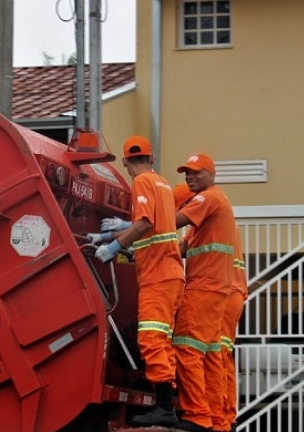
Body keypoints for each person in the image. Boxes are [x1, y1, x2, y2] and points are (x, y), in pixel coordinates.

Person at [92, 135, 185, 428]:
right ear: (152, 159)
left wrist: (113, 248)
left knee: (152, 339)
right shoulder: (164, 185)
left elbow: (144, 224)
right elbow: (156, 230)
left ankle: (165, 408)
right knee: (160, 339)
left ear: (125, 161)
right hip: (169, 273)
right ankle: (166, 406)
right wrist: (111, 236)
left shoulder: (142, 183)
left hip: (158, 276)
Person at [172, 154, 236, 432]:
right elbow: (180, 248)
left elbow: (171, 221)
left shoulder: (208, 198)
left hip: (204, 288)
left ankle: (198, 415)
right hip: (215, 290)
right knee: (209, 354)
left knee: (186, 348)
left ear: (211, 174)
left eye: (196, 173)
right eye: (187, 173)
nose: (189, 177)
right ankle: (216, 420)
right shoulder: (207, 216)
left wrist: (134, 226)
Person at [220, 228, 248, 432]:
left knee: (216, 356)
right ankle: (227, 417)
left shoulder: (207, 208)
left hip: (224, 292)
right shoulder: (224, 221)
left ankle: (222, 417)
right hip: (231, 292)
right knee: (223, 356)